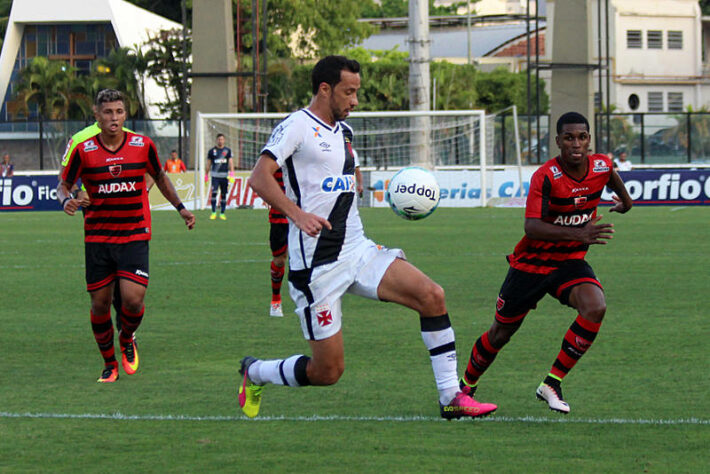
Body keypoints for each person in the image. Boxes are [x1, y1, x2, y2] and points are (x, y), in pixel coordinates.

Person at [242, 55, 497, 420]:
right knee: (327, 372)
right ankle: (255, 371)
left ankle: (450, 397)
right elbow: (259, 177)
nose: (355, 100)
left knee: (432, 296)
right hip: (318, 266)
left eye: (357, 92)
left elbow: (344, 179)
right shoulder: (296, 126)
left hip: (358, 250)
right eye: (349, 92)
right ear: (325, 89)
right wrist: (297, 215)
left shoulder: (344, 132)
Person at [459, 112, 633, 414]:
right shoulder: (547, 176)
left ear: (589, 140)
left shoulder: (602, 164)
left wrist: (626, 203)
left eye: (581, 137)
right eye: (569, 138)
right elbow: (532, 227)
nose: (576, 144)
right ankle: (464, 389)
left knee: (595, 306)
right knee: (501, 334)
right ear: (558, 142)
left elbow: (612, 178)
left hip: (569, 263)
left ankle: (552, 383)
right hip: (531, 265)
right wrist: (580, 233)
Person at [57, 89, 195, 383]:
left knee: (133, 300)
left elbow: (159, 176)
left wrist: (180, 208)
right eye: (108, 112)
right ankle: (109, 365)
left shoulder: (142, 145)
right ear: (97, 115)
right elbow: (64, 184)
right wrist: (67, 198)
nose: (114, 118)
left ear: (125, 114)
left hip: (134, 232)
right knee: (100, 304)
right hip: (98, 237)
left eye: (119, 112)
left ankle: (127, 336)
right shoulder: (84, 149)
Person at [206, 133, 235, 220]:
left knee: (223, 194)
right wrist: (206, 175)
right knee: (214, 193)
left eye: (222, 139)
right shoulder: (212, 151)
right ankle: (213, 212)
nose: (220, 141)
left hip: (224, 176)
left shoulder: (227, 151)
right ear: (216, 140)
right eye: (219, 139)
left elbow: (230, 162)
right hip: (215, 176)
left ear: (224, 140)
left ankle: (222, 213)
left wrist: (232, 173)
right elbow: (208, 163)